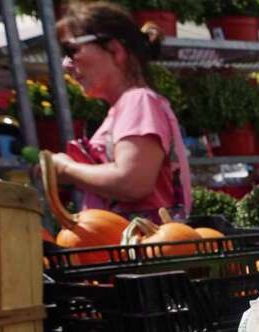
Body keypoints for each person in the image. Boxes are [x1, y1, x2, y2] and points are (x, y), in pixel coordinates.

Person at [51, 3, 191, 221]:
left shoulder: (138, 101)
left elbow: (132, 182)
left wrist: (67, 170)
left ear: (115, 51)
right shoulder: (126, 107)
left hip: (141, 250)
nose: (66, 64)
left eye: (72, 50)